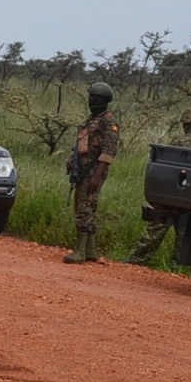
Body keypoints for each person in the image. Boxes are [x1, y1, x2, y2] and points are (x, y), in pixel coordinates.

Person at [126, 112, 191, 265]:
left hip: (173, 191)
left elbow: (168, 165)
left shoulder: (178, 141)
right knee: (184, 230)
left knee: (157, 226)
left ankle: (137, 260)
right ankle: (177, 264)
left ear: (185, 125)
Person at [65, 81, 121, 264]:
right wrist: (72, 160)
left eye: (94, 98)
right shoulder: (92, 120)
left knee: (84, 209)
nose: (90, 101)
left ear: (103, 100)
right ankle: (90, 250)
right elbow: (84, 145)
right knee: (84, 207)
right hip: (83, 169)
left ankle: (80, 251)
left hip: (93, 171)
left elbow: (109, 150)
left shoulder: (108, 122)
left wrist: (97, 175)